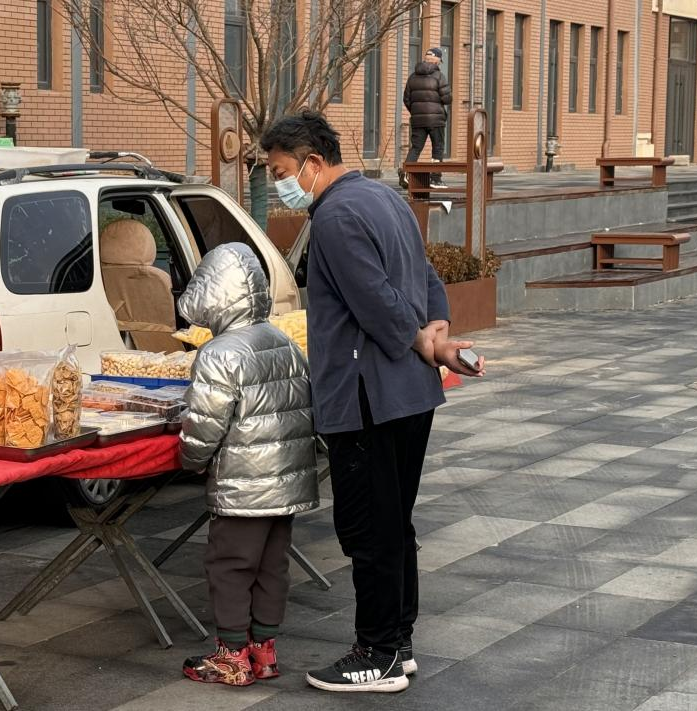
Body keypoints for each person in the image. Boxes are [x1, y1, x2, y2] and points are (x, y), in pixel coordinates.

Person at [259, 110, 484, 694]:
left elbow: (377, 302)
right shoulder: (383, 198)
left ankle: (377, 652)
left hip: (368, 398)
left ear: (312, 162)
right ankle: (398, 643)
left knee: (367, 527)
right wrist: (435, 333)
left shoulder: (334, 216)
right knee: (394, 522)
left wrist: (419, 339)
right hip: (409, 393)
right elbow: (428, 278)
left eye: (281, 170)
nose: (278, 182)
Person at [177, 243, 320, 687]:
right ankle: (264, 650)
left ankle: (232, 655)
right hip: (287, 486)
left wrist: (191, 461)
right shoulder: (284, 342)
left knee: (230, 566)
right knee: (272, 566)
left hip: (242, 486)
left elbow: (203, 426)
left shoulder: (220, 353)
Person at [400, 47, 453, 189]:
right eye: (440, 61)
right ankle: (435, 179)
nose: (440, 64)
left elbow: (406, 99)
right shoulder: (439, 77)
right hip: (436, 120)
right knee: (438, 147)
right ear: (436, 60)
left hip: (418, 120)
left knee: (416, 147)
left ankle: (406, 174)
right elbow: (447, 99)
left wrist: (416, 112)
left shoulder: (412, 76)